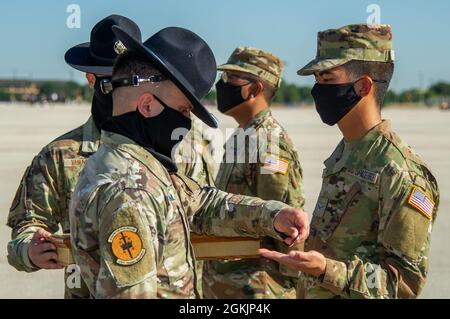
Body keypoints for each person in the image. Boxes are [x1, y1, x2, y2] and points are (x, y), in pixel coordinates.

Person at [69, 26, 309, 299]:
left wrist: (272, 215)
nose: (185, 123)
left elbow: (200, 203)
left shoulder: (139, 166)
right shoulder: (130, 191)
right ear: (147, 106)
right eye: (183, 110)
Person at [260, 24, 440, 299]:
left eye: (327, 80)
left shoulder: (399, 171)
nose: (317, 91)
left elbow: (403, 285)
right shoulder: (347, 151)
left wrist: (327, 270)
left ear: (363, 86)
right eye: (316, 80)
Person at [6, 15, 141, 299]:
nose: (121, 91)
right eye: (110, 81)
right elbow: (26, 227)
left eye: (128, 80)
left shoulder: (176, 149)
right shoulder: (59, 155)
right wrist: (30, 250)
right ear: (91, 79)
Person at [203, 47, 305, 299]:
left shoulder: (270, 144)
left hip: (258, 288)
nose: (221, 85)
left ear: (255, 89)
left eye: (230, 79)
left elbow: (288, 224)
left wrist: (290, 283)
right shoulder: (244, 135)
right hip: (230, 285)